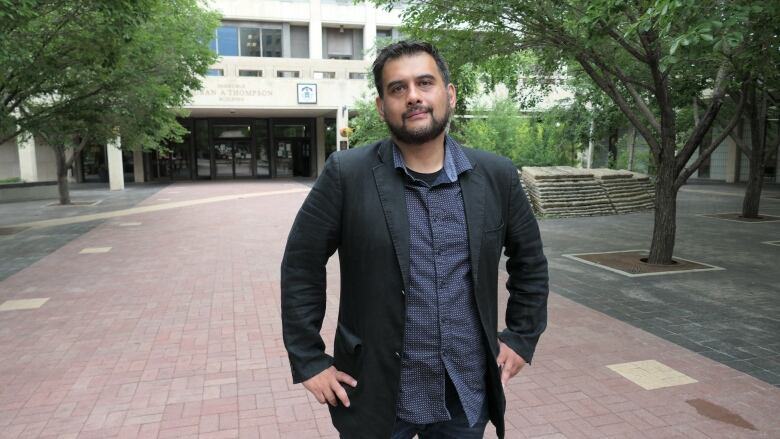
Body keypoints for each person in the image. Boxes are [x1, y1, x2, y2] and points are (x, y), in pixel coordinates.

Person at [281, 40, 549, 439]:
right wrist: (309, 360)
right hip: (376, 394)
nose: (413, 97)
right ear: (381, 105)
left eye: (425, 82)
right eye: (397, 88)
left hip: (465, 393)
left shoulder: (497, 176)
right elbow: (301, 266)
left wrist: (522, 337)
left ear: (449, 94)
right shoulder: (346, 175)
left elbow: (530, 264)